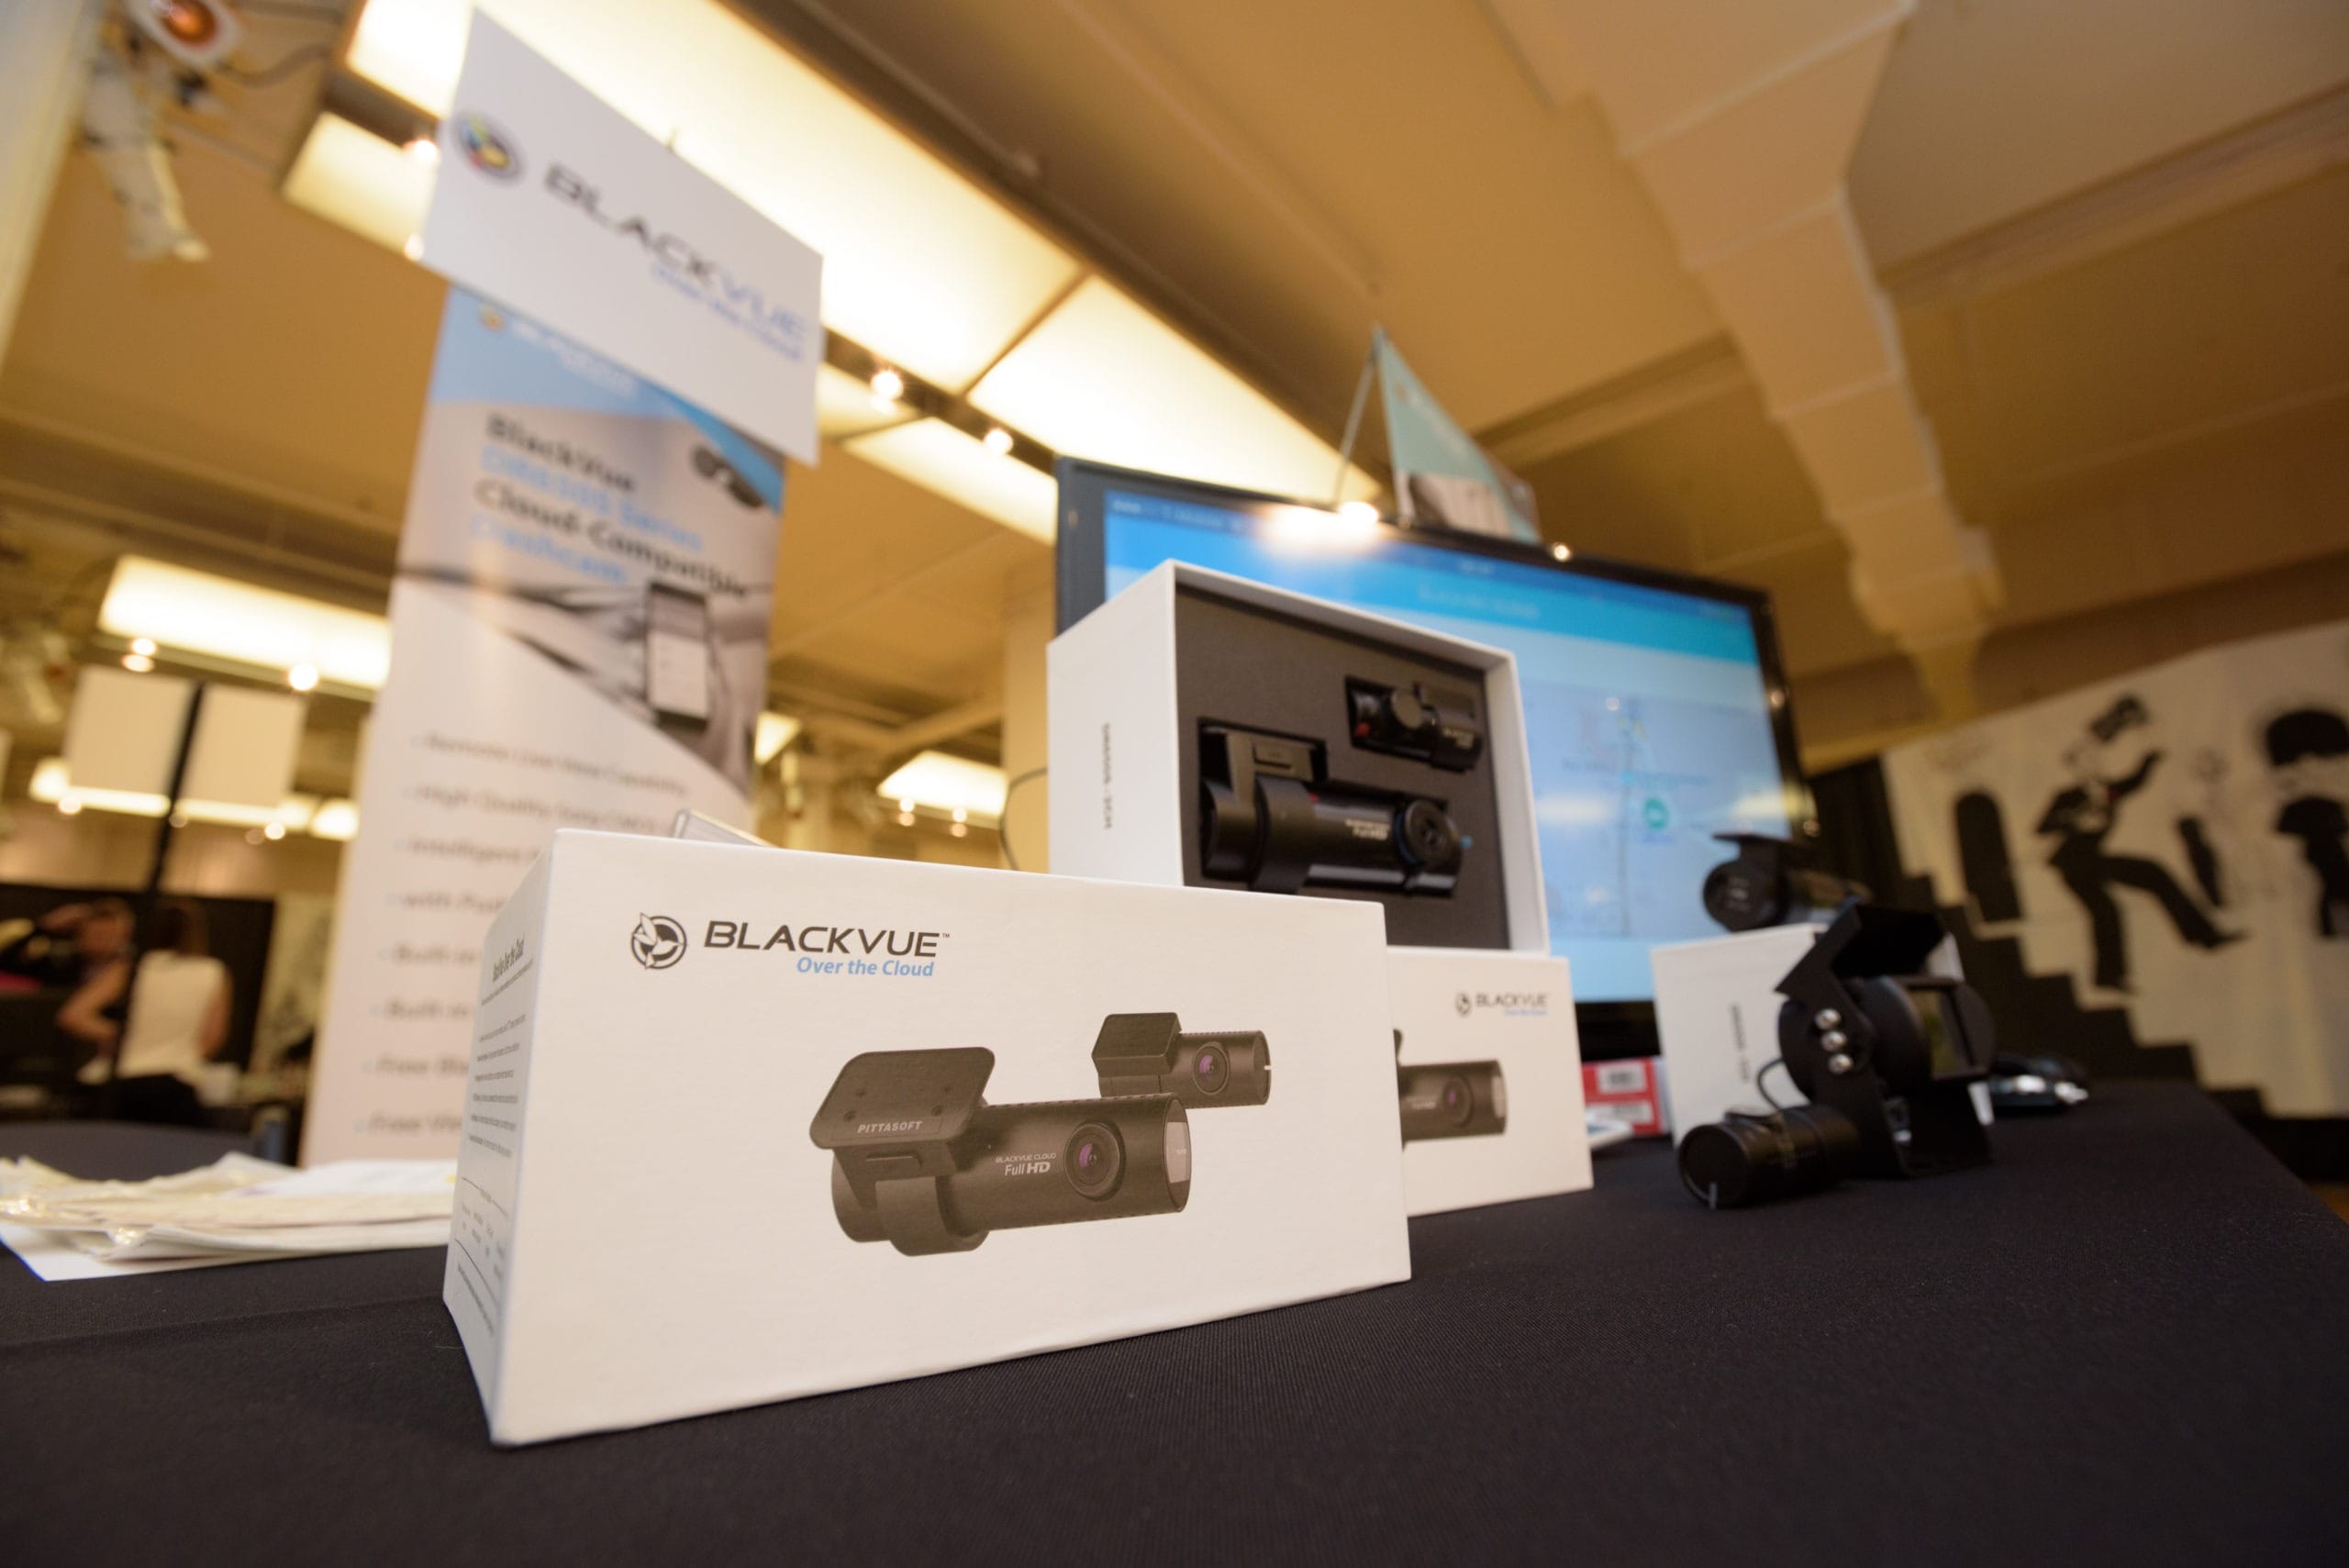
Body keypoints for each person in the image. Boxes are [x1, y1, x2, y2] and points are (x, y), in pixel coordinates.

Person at [2037, 743, 2237, 993]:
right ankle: (2108, 978)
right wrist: (2074, 820)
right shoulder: (2067, 796)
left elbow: (2134, 782)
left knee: (2154, 873)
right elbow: (2042, 827)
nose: (2093, 764)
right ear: (2075, 768)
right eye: (2084, 761)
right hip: (2072, 866)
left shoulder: (2109, 790)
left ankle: (2205, 936)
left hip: (2095, 860)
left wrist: (2149, 760)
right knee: (2106, 911)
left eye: (2094, 758)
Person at [71, 899, 231, 1125]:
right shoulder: (212, 972)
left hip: (120, 1083)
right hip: (175, 1086)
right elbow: (212, 1038)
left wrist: (115, 1034)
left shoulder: (134, 967)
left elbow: (74, 1015)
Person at [2265, 706, 2349, 939]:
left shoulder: (2329, 801)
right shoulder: (2303, 805)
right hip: (2322, 856)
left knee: (2336, 890)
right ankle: (2330, 928)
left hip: (2328, 855)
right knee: (2334, 889)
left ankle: (2331, 927)